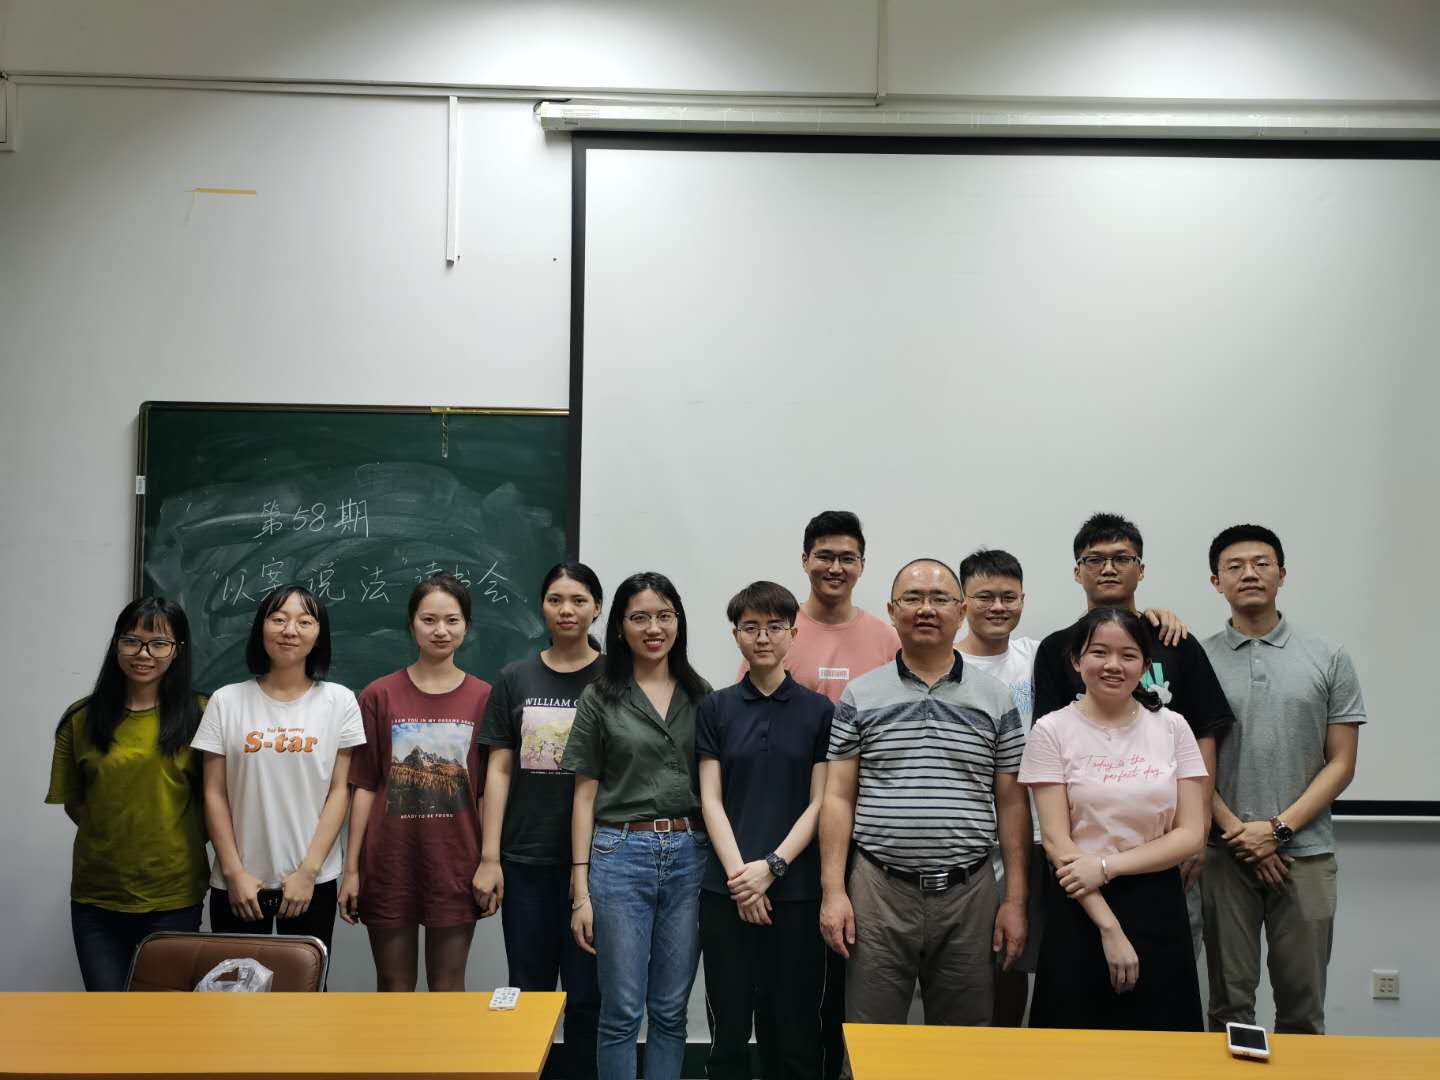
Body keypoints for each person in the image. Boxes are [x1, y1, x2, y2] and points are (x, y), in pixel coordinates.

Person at [819, 559, 1028, 1073]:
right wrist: (834, 891)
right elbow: (838, 797)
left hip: (970, 893)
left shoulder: (996, 698)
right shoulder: (860, 695)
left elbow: (1011, 803)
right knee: (870, 1047)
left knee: (964, 1050)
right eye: (912, 598)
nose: (926, 609)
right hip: (878, 891)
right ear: (892, 611)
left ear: (961, 610)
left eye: (939, 599)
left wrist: (1015, 901)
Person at [1031, 512, 1233, 952]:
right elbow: (1049, 750)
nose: (1108, 568)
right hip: (1081, 861)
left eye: (1122, 558)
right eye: (1095, 559)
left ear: (1141, 570)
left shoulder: (1174, 640)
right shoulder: (1056, 648)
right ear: (1077, 571)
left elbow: (1204, 733)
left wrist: (1196, 831)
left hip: (1162, 850)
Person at [1201, 524, 1365, 1035]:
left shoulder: (1329, 656)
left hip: (1306, 854)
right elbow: (1185, 762)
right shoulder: (1197, 659)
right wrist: (1241, 834)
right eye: (1235, 566)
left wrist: (1277, 830)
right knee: (1230, 1007)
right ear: (1216, 581)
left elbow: (1341, 763)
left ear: (1282, 574)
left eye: (1262, 563)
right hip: (1224, 855)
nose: (1249, 573)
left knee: (1303, 1007)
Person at [1020, 606, 1208, 1030]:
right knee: (1074, 1042)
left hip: (1158, 900)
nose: (1113, 665)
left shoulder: (1173, 727)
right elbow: (1057, 842)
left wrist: (1106, 866)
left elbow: (1191, 833)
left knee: (1161, 1040)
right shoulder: (1051, 730)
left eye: (1128, 655)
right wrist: (1109, 927)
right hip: (1080, 903)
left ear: (1145, 664)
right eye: (1099, 652)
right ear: (1076, 660)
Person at [561, 572, 712, 1080]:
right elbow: (584, 794)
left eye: (665, 616)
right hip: (619, 855)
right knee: (622, 1011)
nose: (654, 628)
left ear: (679, 622)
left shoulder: (702, 695)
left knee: (670, 1011)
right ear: (620, 627)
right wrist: (580, 890)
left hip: (689, 856)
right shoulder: (600, 696)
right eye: (640, 617)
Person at [474, 562, 605, 1078]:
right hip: (525, 858)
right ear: (542, 607)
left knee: (588, 994)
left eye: (578, 600)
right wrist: (490, 857)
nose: (566, 610)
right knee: (528, 989)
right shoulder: (515, 678)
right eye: (555, 600)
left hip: (600, 862)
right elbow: (498, 769)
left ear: (597, 608)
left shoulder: (615, 678)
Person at [699, 582, 833, 1080]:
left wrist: (772, 868)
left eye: (775, 627)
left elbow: (821, 802)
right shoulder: (715, 707)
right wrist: (742, 879)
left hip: (795, 892)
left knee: (794, 1025)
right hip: (725, 890)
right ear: (735, 634)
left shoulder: (819, 711)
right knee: (729, 1024)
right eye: (750, 627)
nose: (762, 637)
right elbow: (710, 799)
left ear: (793, 634)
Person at [191, 584, 364, 958]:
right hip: (239, 882)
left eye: (304, 622)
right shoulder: (226, 701)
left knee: (305, 990)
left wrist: (308, 872)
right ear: (261, 628)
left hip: (310, 880)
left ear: (319, 635)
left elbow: (340, 791)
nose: (290, 631)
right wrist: (234, 873)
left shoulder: (340, 702)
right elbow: (213, 793)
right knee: (234, 987)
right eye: (279, 619)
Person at [46, 597, 209, 991]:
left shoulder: (203, 715)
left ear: (177, 650)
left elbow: (218, 803)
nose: (143, 654)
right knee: (109, 1013)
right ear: (116, 644)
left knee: (163, 1015)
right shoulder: (80, 719)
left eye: (159, 644)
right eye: (131, 641)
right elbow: (74, 803)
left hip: (174, 895)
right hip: (97, 897)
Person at [338, 573, 491, 991]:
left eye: (452, 620)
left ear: (466, 626)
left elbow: (485, 792)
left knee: (448, 986)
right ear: (411, 625)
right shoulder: (379, 695)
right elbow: (365, 785)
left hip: (456, 862)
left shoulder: (484, 697)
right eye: (429, 620)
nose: (441, 630)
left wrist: (489, 861)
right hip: (389, 862)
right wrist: (352, 870)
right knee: (393, 986)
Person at [741, 511, 899, 705]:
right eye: (825, 557)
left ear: (862, 565)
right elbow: (745, 707)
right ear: (805, 561)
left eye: (847, 559)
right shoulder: (773, 632)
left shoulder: (888, 640)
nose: (835, 569)